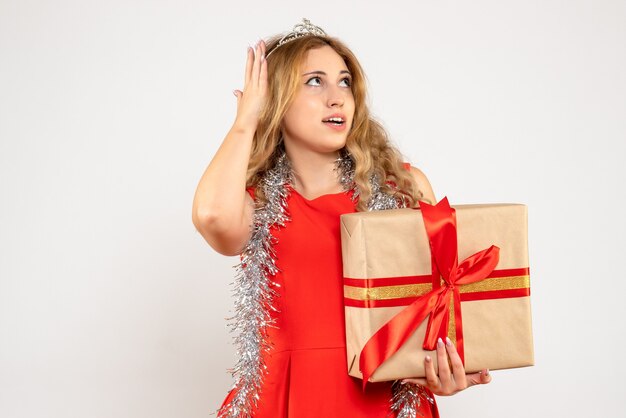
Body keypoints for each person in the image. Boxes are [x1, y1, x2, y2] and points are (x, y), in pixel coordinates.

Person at [192, 18, 491, 418]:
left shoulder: (402, 187)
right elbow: (213, 219)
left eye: (345, 81)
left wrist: (444, 368)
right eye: (315, 81)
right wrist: (246, 120)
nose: (338, 98)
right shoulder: (257, 200)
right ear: (276, 100)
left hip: (383, 403)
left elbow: (442, 309)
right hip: (282, 398)